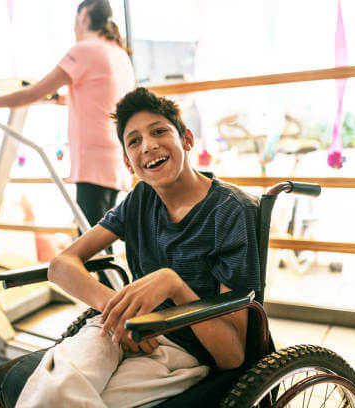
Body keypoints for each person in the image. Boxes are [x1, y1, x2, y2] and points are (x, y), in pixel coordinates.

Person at [14, 87, 262, 407]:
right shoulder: (139, 200)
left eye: (159, 131)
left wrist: (173, 284)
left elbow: (231, 355)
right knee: (54, 392)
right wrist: (120, 314)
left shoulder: (231, 211)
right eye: (134, 141)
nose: (148, 145)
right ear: (129, 163)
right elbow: (61, 265)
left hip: (184, 351)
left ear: (186, 139)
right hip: (124, 329)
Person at [0, 0, 134, 239]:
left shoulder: (84, 50)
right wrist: (64, 99)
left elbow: (32, 93)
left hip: (94, 161)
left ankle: (105, 279)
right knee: (100, 239)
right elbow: (103, 96)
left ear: (84, 15)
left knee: (91, 246)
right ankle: (108, 278)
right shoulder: (118, 52)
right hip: (115, 157)